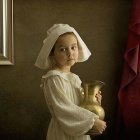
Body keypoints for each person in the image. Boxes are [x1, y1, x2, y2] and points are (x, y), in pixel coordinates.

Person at [35, 24, 107, 140]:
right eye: (63, 49)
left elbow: (81, 106)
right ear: (52, 53)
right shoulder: (54, 78)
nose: (70, 53)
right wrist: (93, 121)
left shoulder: (75, 78)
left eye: (73, 47)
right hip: (63, 133)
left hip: (79, 132)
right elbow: (64, 108)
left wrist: (94, 102)